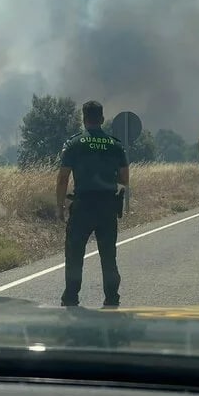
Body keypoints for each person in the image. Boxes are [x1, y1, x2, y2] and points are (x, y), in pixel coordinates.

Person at [56, 100, 130, 308]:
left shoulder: (74, 143)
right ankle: (112, 298)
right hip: (107, 206)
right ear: (102, 118)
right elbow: (125, 178)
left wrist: (60, 205)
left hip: (82, 207)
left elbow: (63, 178)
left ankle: (71, 297)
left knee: (74, 254)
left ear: (83, 118)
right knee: (108, 255)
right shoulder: (115, 144)